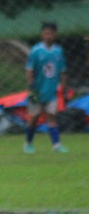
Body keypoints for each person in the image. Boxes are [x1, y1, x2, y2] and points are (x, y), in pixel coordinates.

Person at [24, 21, 68, 154]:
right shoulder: (36, 51)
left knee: (51, 116)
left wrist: (64, 88)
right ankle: (28, 143)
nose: (48, 36)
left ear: (55, 35)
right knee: (34, 118)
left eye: (51, 33)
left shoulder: (58, 51)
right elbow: (29, 69)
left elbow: (63, 71)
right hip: (37, 90)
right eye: (46, 33)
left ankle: (56, 145)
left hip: (51, 91)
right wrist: (31, 86)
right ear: (42, 35)